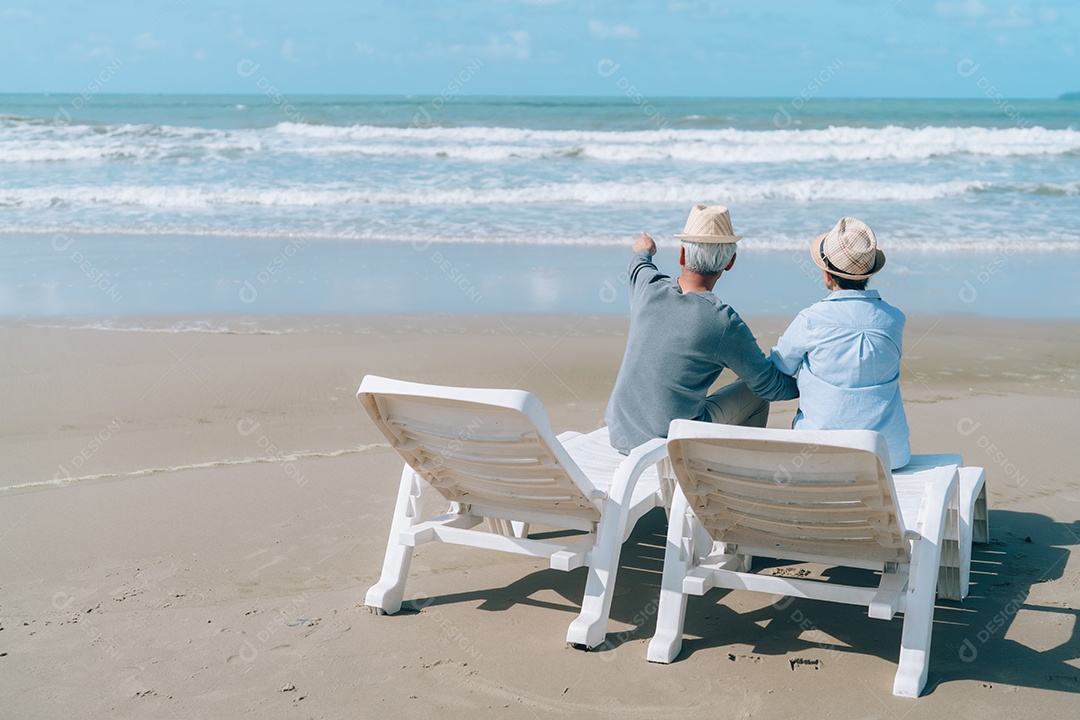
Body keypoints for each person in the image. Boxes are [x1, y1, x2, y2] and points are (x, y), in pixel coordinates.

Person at [605, 205, 798, 454]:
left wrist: (645, 249)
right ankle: (734, 469)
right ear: (730, 262)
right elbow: (768, 386)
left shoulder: (647, 287)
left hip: (621, 435)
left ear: (682, 255)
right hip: (671, 444)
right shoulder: (723, 322)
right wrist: (808, 385)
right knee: (756, 391)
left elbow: (639, 263)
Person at [769, 216, 911, 468]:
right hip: (889, 455)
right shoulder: (894, 319)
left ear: (827, 275)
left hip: (819, 454)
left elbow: (779, 367)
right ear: (869, 274)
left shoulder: (811, 320)